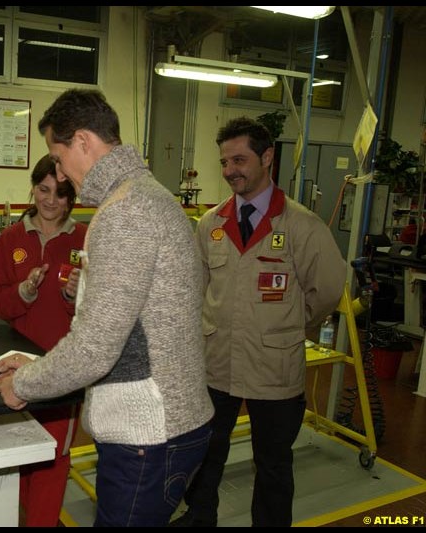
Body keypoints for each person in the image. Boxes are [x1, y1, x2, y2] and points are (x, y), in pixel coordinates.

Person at [0, 89, 214, 527]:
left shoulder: (123, 213)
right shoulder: (147, 198)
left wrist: (24, 384)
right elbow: (129, 335)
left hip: (148, 435)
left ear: (84, 142)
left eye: (58, 154)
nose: (60, 172)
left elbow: (95, 349)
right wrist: (37, 362)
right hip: (169, 423)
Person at [171, 116, 346, 527]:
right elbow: (197, 290)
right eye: (224, 162)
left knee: (272, 463)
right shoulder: (211, 225)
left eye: (239, 159)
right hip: (217, 365)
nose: (230, 170)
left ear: (267, 157)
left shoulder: (303, 226)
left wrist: (284, 325)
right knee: (206, 452)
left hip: (275, 367)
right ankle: (200, 517)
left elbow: (327, 292)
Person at [0, 154, 87, 526]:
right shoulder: (11, 237)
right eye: (44, 189)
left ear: (71, 198)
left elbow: (100, 318)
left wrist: (77, 296)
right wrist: (23, 292)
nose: (50, 200)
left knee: (53, 458)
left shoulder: (83, 239)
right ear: (33, 188)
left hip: (61, 372)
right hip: (13, 368)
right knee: (14, 455)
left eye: (60, 194)